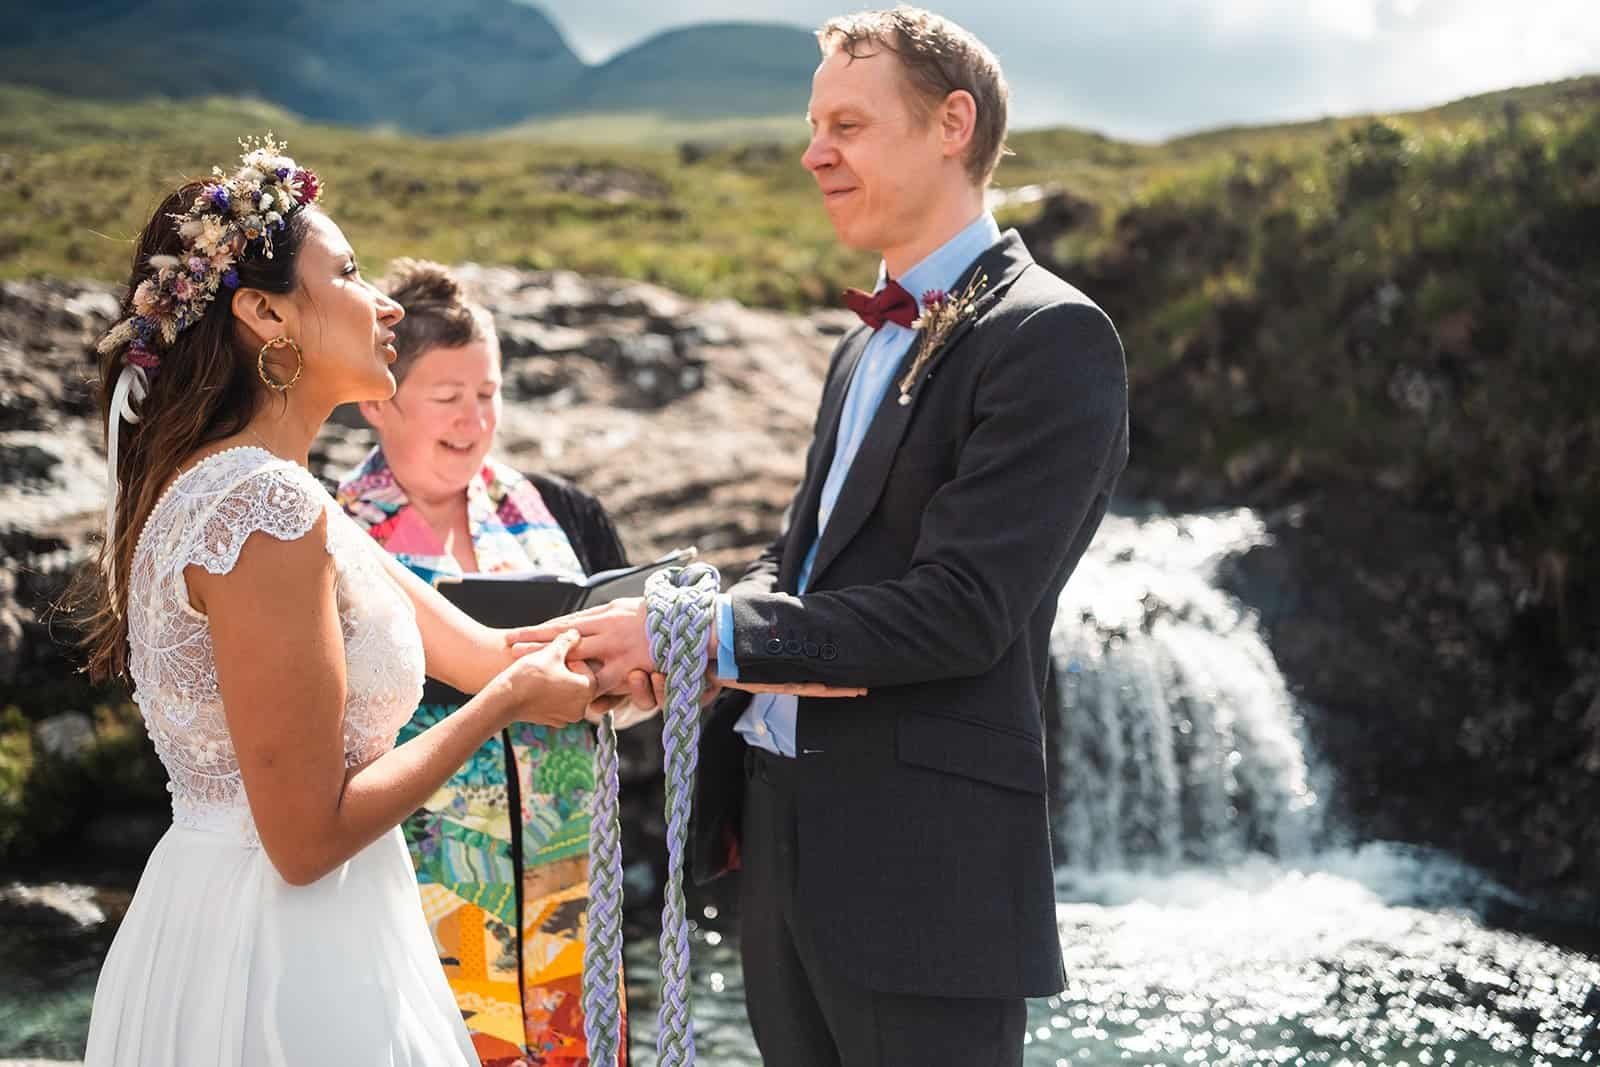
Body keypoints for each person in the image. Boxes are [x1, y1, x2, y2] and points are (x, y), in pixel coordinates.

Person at [514, 8, 1130, 1065]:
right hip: (781, 857)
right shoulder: (862, 347)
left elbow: (961, 610)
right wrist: (685, 647)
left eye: (847, 123)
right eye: (813, 125)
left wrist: (711, 638)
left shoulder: (1051, 335)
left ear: (951, 123)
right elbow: (796, 561)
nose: (813, 152)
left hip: (923, 879)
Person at [78, 138, 606, 1066]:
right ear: (266, 316)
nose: (387, 301)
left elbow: (487, 648)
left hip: (245, 919)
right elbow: (306, 840)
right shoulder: (263, 507)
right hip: (284, 957)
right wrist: (506, 710)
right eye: (352, 272)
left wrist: (683, 634)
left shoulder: (271, 492)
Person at [337, 259, 645, 1067]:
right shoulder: (331, 538)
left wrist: (639, 683)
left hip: (571, 901)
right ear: (377, 399)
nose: (475, 421)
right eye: (448, 398)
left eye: (490, 394)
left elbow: (632, 702)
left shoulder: (568, 515)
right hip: (417, 898)